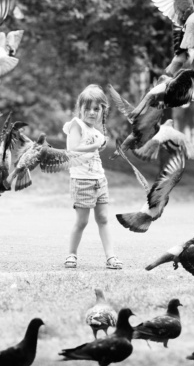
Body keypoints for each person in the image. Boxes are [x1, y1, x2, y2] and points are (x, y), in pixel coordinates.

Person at [61, 84, 122, 270]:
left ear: (103, 110)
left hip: (99, 179)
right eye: (87, 108)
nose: (92, 112)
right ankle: (71, 254)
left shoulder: (97, 133)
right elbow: (72, 149)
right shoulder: (76, 125)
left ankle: (110, 257)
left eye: (97, 109)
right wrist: (94, 145)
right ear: (80, 109)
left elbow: (96, 148)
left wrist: (99, 143)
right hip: (81, 181)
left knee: (103, 218)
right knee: (82, 221)